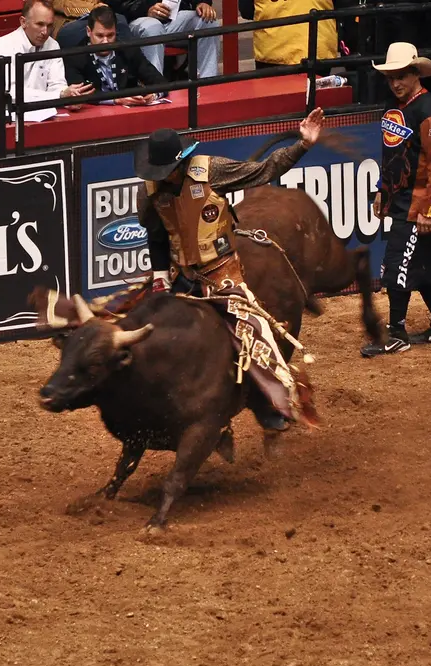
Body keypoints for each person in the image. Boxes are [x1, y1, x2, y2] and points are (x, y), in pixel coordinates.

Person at [102, 108, 324, 433]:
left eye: (166, 171)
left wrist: (303, 145)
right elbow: (156, 234)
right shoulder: (148, 192)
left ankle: (269, 403)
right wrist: (161, 277)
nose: (162, 177)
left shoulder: (211, 171)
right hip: (179, 272)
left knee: (251, 333)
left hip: (222, 270)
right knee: (146, 323)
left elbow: (263, 170)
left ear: (180, 163)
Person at [361, 42, 431, 357]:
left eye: (401, 76)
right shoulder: (395, 106)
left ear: (416, 74)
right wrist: (381, 189)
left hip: (418, 207)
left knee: (395, 266)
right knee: (424, 266)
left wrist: (430, 210)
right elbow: (393, 155)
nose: (395, 83)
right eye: (391, 77)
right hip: (401, 202)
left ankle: (396, 333)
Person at [0, 0, 93, 111]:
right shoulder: (1, 48)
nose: (45, 32)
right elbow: (12, 94)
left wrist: (68, 98)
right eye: (39, 24)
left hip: (35, 111)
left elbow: (57, 84)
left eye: (49, 25)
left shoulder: (52, 45)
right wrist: (59, 95)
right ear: (23, 22)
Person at [63, 4, 164, 104]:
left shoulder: (129, 50)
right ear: (89, 31)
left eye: (110, 35)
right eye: (100, 36)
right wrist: (116, 100)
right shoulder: (75, 57)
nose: (105, 42)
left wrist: (153, 95)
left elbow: (160, 81)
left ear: (116, 31)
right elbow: (81, 93)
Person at [108, 0, 220, 79]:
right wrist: (145, 9)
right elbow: (116, 4)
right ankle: (156, 90)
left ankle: (207, 84)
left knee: (208, 22)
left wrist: (201, 2)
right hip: (137, 19)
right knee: (153, 27)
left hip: (174, 18)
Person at [237, 0, 337, 72]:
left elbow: (246, 11)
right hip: (317, 46)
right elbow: (341, 6)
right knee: (315, 92)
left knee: (274, 94)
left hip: (272, 48)